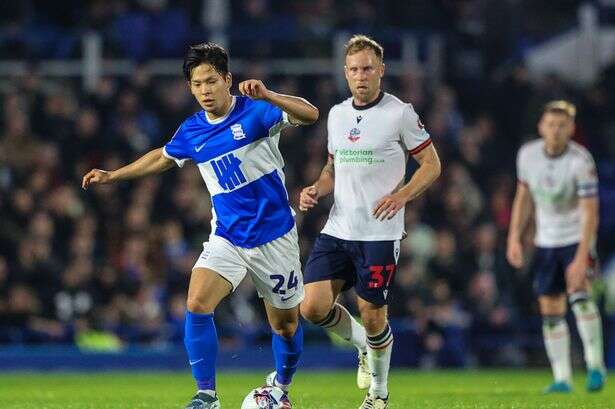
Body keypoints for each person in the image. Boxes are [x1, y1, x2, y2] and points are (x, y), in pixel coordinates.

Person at [82, 42, 318, 409]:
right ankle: (206, 395)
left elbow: (310, 114)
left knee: (285, 326)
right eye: (197, 84)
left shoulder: (256, 112)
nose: (205, 91)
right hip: (228, 235)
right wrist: (113, 175)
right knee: (196, 302)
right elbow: (161, 156)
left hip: (274, 238)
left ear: (227, 79)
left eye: (211, 81)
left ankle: (280, 386)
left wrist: (270, 94)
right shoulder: (192, 130)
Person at [298, 34, 441, 409]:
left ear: (381, 71)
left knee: (374, 315)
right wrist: (317, 187)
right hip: (338, 228)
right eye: (354, 70)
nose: (361, 76)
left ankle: (378, 394)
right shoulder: (338, 114)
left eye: (367, 68)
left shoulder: (400, 113)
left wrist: (402, 195)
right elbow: (333, 167)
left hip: (379, 233)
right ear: (345, 73)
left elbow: (432, 164)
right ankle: (362, 344)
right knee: (311, 308)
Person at [507, 100, 606, 393]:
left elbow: (590, 212)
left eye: (562, 125)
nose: (555, 130)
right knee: (550, 309)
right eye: (551, 124)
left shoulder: (581, 161)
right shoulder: (527, 155)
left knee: (580, 298)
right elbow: (523, 198)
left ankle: (595, 366)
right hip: (546, 240)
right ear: (541, 127)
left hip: (576, 237)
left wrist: (582, 256)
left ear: (571, 129)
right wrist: (514, 237)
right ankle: (562, 377)